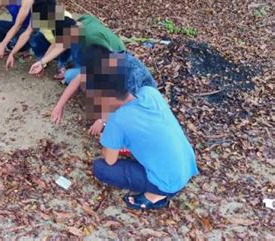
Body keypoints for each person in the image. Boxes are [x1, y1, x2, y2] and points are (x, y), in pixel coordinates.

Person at [85, 54, 199, 210]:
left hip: (169, 182)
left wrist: (107, 141)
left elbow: (110, 160)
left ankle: (156, 196)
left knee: (101, 168)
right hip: (187, 165)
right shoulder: (150, 93)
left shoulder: (117, 120)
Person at [51, 45, 157, 136]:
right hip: (118, 91)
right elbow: (79, 78)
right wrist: (59, 106)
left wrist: (103, 120)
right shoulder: (100, 61)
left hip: (143, 103)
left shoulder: (131, 75)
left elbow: (130, 102)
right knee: (71, 77)